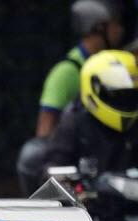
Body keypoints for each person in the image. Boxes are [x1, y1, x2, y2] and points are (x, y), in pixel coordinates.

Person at [35, 0, 124, 138]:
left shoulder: (113, 68)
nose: (120, 30)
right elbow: (45, 130)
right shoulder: (66, 71)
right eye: (115, 24)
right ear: (99, 27)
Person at [44, 49, 138, 174]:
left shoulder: (134, 124)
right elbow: (53, 174)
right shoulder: (74, 123)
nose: (125, 100)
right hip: (89, 192)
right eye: (115, 93)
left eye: (131, 94)